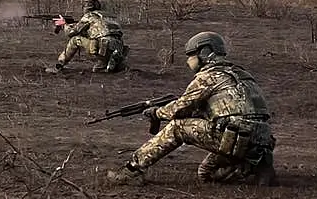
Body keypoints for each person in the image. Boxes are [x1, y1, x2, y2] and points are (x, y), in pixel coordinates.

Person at [106, 31, 278, 186]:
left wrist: (157, 113)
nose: (188, 60)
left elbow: (179, 109)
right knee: (206, 174)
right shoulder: (242, 74)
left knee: (176, 128)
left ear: (204, 53)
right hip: (261, 140)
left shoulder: (208, 76)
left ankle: (132, 171)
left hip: (233, 135)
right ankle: (254, 167)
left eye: (191, 55)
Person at [45, 0, 129, 74]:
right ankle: (112, 63)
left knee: (75, 40)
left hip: (102, 48)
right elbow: (99, 31)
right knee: (98, 69)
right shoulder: (111, 17)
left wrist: (64, 24)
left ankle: (59, 66)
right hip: (117, 49)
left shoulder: (89, 16)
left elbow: (71, 33)